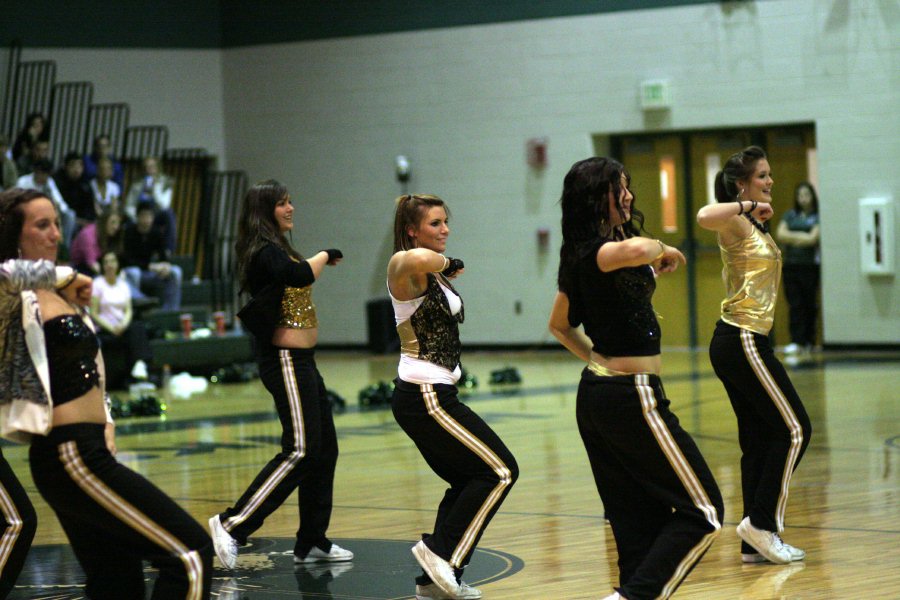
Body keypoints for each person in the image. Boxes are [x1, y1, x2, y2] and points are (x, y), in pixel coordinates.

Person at [0, 187, 212, 599]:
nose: (54, 234)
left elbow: (89, 368)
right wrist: (65, 275)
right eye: (41, 225)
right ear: (13, 234)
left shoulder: (64, 295)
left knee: (118, 582)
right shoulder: (13, 297)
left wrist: (108, 419)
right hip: (68, 453)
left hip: (89, 448)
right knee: (190, 555)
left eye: (57, 224)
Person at [548, 158, 723, 600]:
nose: (628, 195)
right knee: (704, 510)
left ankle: (630, 591)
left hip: (602, 393)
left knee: (635, 523)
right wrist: (663, 249)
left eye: (627, 186)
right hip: (629, 396)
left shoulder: (586, 253)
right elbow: (639, 251)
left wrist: (599, 362)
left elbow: (559, 325)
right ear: (594, 197)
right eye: (618, 188)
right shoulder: (600, 251)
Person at [208, 180, 352, 571]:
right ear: (265, 211)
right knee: (301, 449)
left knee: (324, 450)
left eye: (290, 201)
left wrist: (315, 260)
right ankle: (231, 525)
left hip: (304, 361)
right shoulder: (263, 252)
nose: (291, 209)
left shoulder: (279, 249)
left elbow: (297, 273)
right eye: (283, 204)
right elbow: (300, 275)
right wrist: (325, 255)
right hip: (284, 360)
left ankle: (312, 541)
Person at [387, 194, 518, 600]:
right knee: (499, 471)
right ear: (412, 230)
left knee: (467, 478)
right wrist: (445, 262)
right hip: (423, 393)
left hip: (437, 391)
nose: (445, 230)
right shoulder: (404, 264)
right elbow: (407, 262)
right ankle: (441, 555)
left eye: (446, 222)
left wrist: (443, 267)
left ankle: (432, 585)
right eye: (435, 224)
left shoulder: (434, 272)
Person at [696, 145, 812, 565]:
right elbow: (702, 216)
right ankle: (762, 524)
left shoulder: (752, 225)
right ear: (741, 185)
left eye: (768, 175)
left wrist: (754, 212)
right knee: (795, 430)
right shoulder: (736, 224)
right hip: (740, 337)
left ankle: (752, 543)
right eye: (762, 176)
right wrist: (746, 207)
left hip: (746, 340)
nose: (770, 182)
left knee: (761, 441)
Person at [91, 250, 153, 383]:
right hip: (105, 328)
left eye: (112, 261)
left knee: (137, 326)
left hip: (121, 326)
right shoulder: (97, 284)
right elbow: (93, 313)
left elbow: (128, 310)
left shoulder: (123, 285)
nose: (109, 265)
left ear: (118, 264)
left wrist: (124, 325)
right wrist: (111, 328)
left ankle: (140, 365)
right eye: (106, 262)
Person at [776, 182, 820, 358]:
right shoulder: (790, 215)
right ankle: (797, 341)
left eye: (807, 194)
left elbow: (813, 239)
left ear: (812, 196)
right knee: (795, 304)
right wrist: (803, 237)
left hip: (810, 266)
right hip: (791, 265)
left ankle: (809, 341)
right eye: (800, 195)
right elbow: (780, 234)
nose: (803, 198)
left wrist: (792, 237)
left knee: (810, 304)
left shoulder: (817, 216)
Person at [122, 201, 182, 310]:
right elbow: (128, 260)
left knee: (176, 272)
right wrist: (150, 266)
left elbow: (163, 255)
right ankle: (139, 303)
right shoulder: (129, 232)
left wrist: (166, 266)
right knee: (133, 272)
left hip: (151, 273)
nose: (146, 220)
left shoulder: (157, 232)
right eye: (143, 216)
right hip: (136, 273)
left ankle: (170, 311)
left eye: (149, 216)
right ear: (137, 217)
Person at [16, 158, 76, 250]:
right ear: (36, 172)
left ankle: (64, 247)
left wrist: (59, 207)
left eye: (47, 174)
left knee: (70, 215)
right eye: (43, 174)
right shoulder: (23, 182)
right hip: (28, 212)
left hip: (46, 213)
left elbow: (60, 202)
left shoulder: (49, 182)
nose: (45, 177)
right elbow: (17, 203)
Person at [125, 156, 177, 253]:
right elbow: (128, 206)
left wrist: (155, 189)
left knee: (169, 214)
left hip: (156, 216)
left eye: (151, 167)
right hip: (139, 216)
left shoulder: (165, 182)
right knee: (128, 223)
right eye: (146, 167)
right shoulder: (137, 183)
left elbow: (165, 205)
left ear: (157, 168)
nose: (148, 170)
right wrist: (136, 218)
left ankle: (168, 250)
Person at [70, 207, 125, 276]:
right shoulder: (88, 235)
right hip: (81, 268)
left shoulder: (112, 235)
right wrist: (113, 277)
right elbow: (93, 265)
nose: (116, 227)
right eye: (113, 222)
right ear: (104, 222)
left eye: (118, 223)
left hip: (102, 265)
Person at [54, 151, 95, 226]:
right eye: (73, 165)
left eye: (80, 165)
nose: (76, 169)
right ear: (65, 166)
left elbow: (90, 209)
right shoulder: (57, 182)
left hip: (82, 222)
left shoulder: (85, 184)